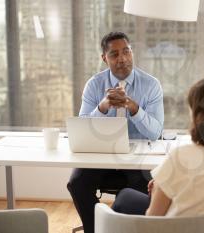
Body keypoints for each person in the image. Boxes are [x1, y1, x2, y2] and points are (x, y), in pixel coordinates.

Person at [111, 76, 204, 216]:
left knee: (124, 197)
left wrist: (162, 188)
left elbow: (153, 219)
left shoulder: (180, 158)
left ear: (197, 114)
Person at [67, 31, 164, 233]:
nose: (122, 59)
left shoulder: (151, 85)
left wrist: (133, 107)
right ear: (104, 58)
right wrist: (103, 107)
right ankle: (95, 229)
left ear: (131, 52)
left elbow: (155, 132)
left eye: (126, 52)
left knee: (141, 189)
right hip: (101, 155)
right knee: (77, 183)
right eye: (114, 54)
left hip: (136, 159)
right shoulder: (94, 85)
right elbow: (81, 128)